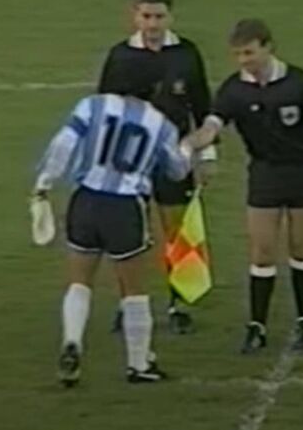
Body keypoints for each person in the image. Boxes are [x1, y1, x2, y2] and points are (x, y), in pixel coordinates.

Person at [31, 56, 193, 386]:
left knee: (79, 281)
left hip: (86, 200)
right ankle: (138, 364)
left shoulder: (92, 106)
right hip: (126, 208)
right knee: (133, 290)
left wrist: (44, 184)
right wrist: (189, 150)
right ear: (153, 86)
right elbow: (177, 170)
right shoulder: (160, 123)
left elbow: (63, 145)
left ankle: (72, 341)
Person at [185, 18, 303, 353]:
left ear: (268, 47)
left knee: (300, 246)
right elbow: (212, 126)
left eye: (249, 52)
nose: (244, 61)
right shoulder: (234, 89)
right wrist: (190, 144)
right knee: (262, 249)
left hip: (301, 172)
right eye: (238, 54)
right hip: (264, 174)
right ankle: (257, 325)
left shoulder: (299, 83)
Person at [98, 0, 215, 334]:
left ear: (170, 16)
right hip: (128, 161)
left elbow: (202, 105)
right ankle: (128, 303)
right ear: (134, 15)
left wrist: (206, 153)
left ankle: (177, 304)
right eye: (146, 16)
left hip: (172, 158)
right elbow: (105, 111)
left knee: (175, 231)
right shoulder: (120, 57)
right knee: (128, 233)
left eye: (159, 17)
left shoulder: (187, 54)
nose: (152, 24)